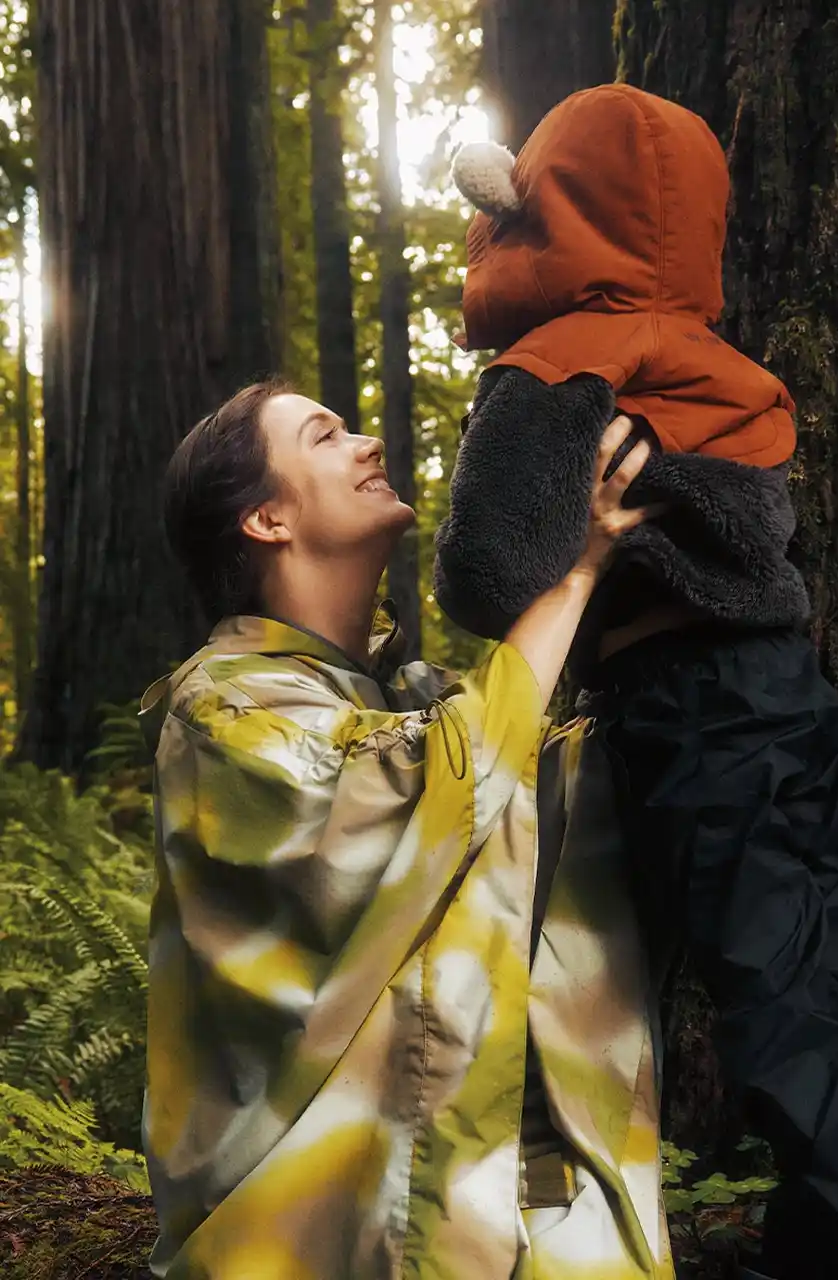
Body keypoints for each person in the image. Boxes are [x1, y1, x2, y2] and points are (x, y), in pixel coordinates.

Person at [434, 84, 838, 1280]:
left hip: (689, 705)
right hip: (783, 686)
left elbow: (488, 571)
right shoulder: (719, 367)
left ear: (550, 210)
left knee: (770, 975)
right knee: (829, 959)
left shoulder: (559, 363)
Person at [139, 380, 676, 1279]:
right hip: (304, 1234)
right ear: (267, 519)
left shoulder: (398, 697)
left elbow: (535, 774)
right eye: (325, 437)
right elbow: (437, 780)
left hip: (495, 1198)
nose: (367, 444)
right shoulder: (224, 706)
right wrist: (578, 574)